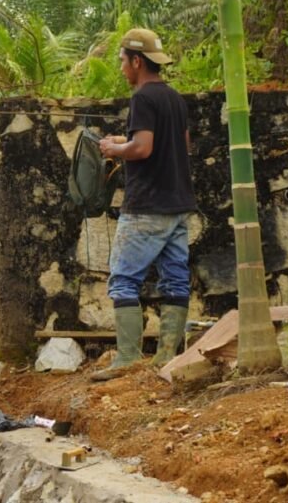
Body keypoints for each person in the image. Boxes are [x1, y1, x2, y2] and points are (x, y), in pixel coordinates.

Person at [92, 28, 196, 381]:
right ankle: (166, 357)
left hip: (146, 207)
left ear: (137, 61)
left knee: (123, 280)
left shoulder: (142, 99)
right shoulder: (174, 98)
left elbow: (144, 149)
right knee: (175, 281)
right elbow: (180, 144)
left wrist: (114, 149)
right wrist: (127, 139)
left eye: (123, 60)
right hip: (178, 206)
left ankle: (126, 360)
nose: (121, 68)